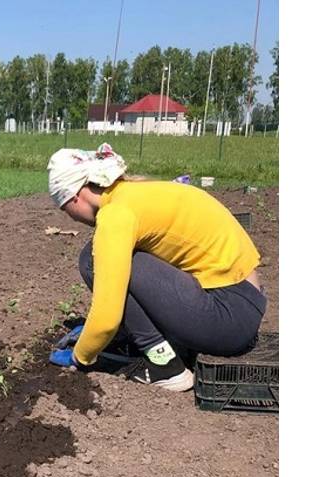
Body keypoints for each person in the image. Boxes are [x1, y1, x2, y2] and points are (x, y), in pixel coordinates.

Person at [45, 144, 266, 391]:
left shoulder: (117, 215)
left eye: (66, 210)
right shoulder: (137, 193)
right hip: (244, 303)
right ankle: (164, 343)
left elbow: (107, 316)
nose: (72, 218)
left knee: (93, 259)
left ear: (74, 196)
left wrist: (81, 354)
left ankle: (166, 366)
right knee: (112, 256)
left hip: (227, 320)